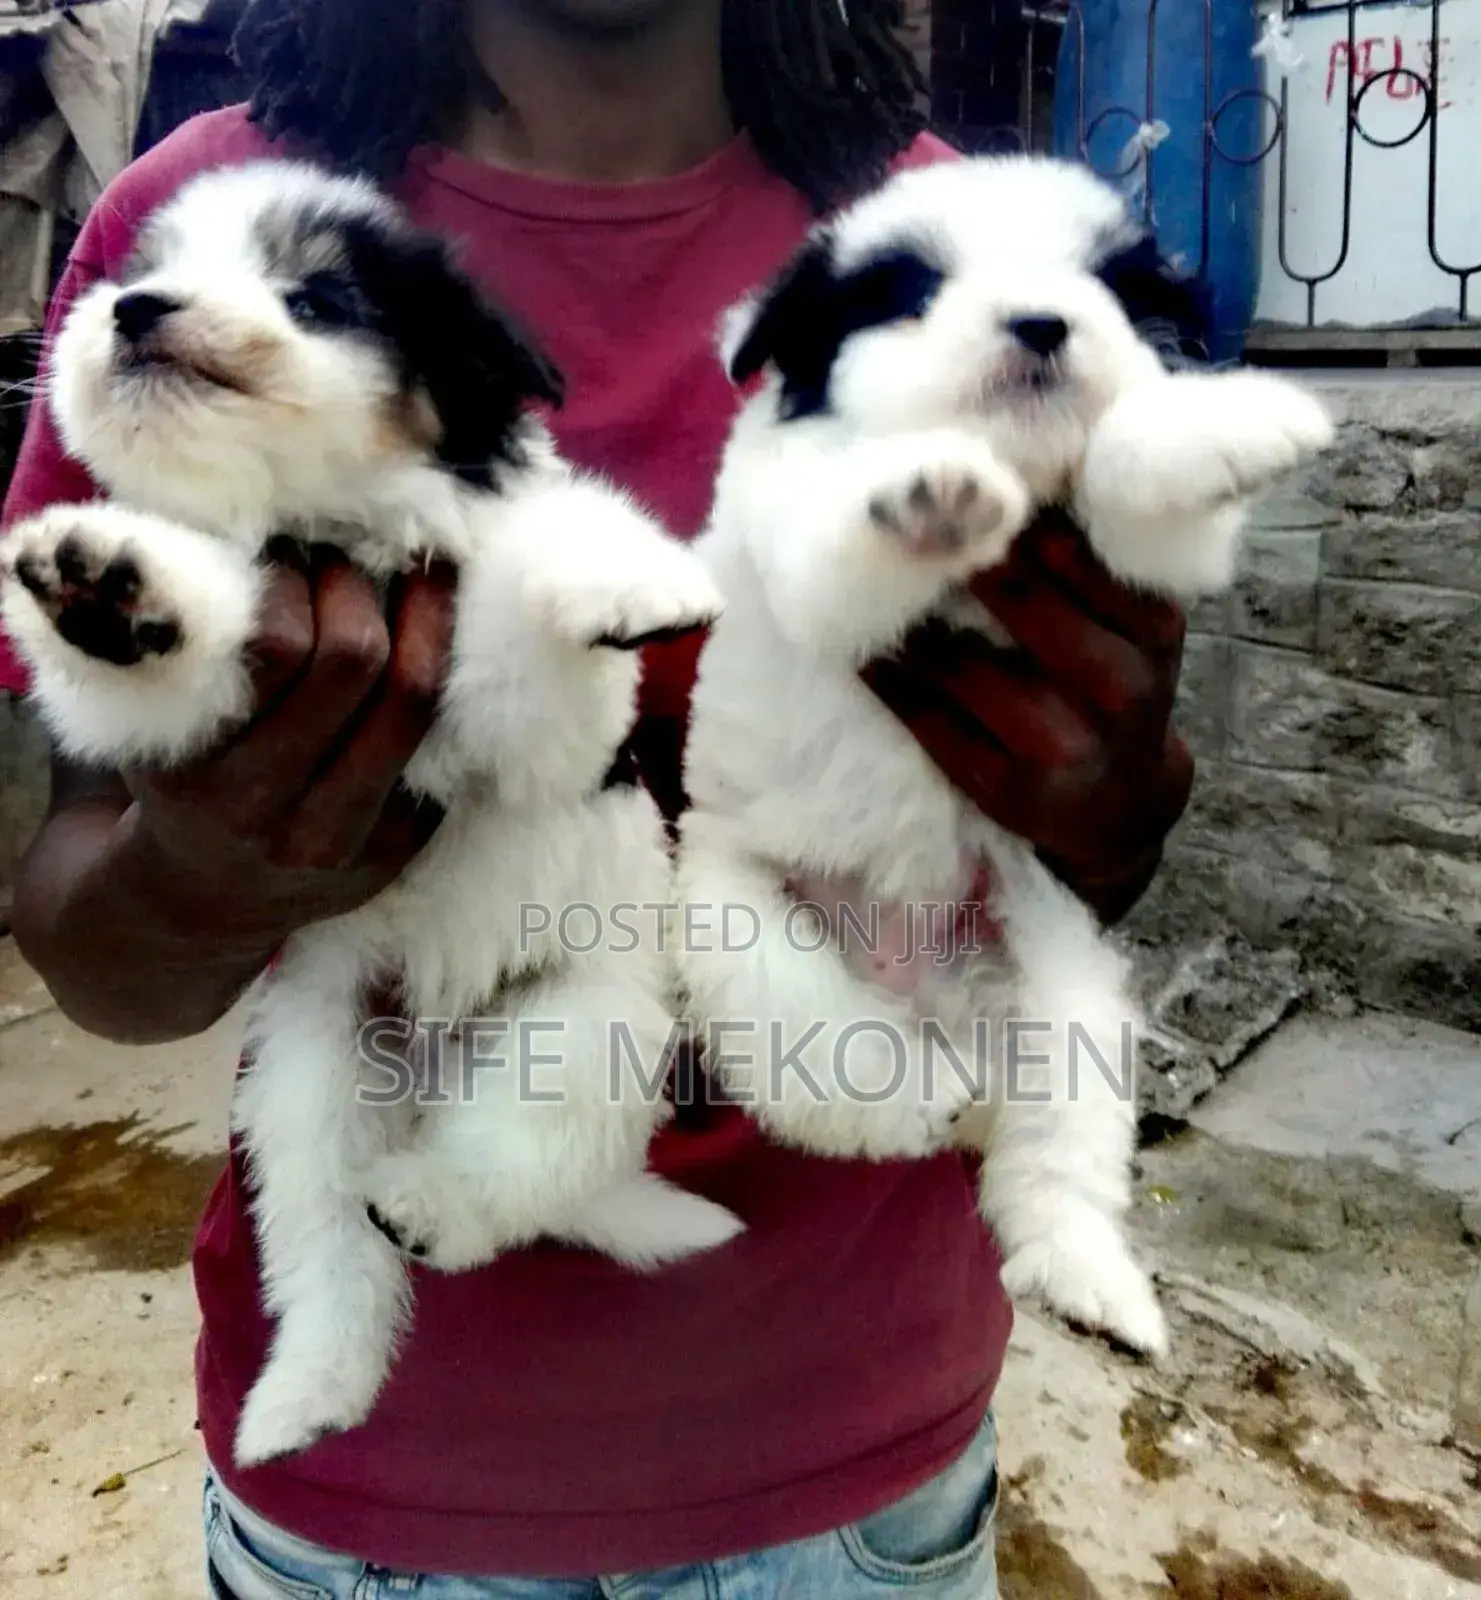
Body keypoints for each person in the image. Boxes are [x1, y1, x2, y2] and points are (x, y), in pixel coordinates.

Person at [1, 2, 1195, 1594]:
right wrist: (210, 875)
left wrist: (1107, 815)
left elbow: (1034, 846)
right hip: (379, 1501)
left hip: (854, 1460)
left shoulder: (942, 242)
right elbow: (87, 919)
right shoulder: (195, 234)